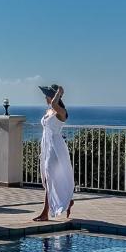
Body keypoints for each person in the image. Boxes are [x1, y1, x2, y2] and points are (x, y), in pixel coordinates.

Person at [33, 84, 75, 221]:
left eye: (47, 95)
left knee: (50, 177)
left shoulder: (60, 111)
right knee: (46, 177)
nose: (45, 98)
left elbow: (55, 104)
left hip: (56, 148)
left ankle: (45, 212)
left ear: (53, 97)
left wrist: (59, 92)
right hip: (47, 145)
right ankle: (68, 202)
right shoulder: (49, 111)